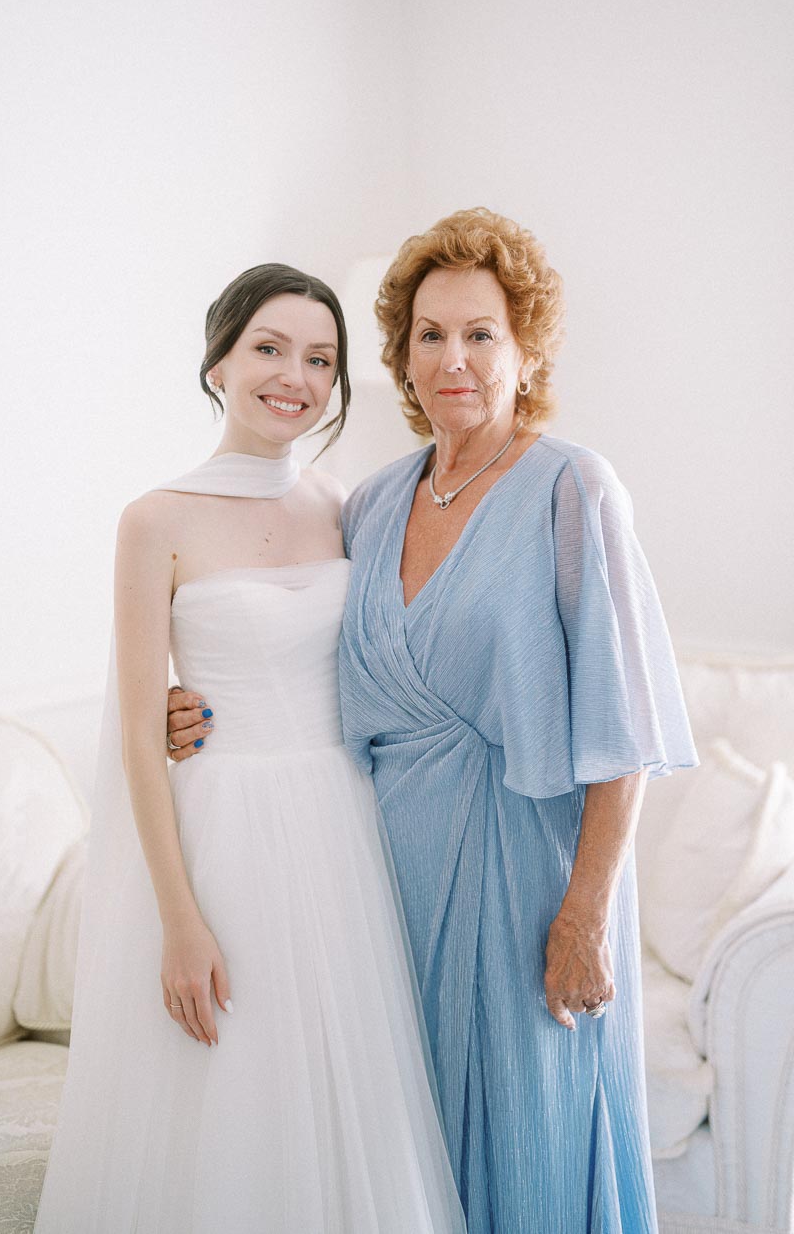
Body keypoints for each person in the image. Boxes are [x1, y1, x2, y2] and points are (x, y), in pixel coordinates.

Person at [169, 212, 700, 1233]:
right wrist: (187, 700)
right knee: (412, 1161)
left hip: (527, 883)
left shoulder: (573, 489)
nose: (452, 359)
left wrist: (584, 916)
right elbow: (298, 652)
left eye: (480, 333)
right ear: (401, 359)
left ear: (526, 348)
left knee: (533, 1140)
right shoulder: (367, 505)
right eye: (428, 335)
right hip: (380, 880)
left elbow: (622, 727)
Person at [35, 264, 465, 1233]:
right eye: (270, 349)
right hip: (225, 832)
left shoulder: (343, 505)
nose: (295, 377)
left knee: (342, 1092)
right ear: (219, 361)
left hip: (344, 827)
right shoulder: (156, 520)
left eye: (321, 359)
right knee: (237, 1086)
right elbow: (144, 740)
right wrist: (178, 922)